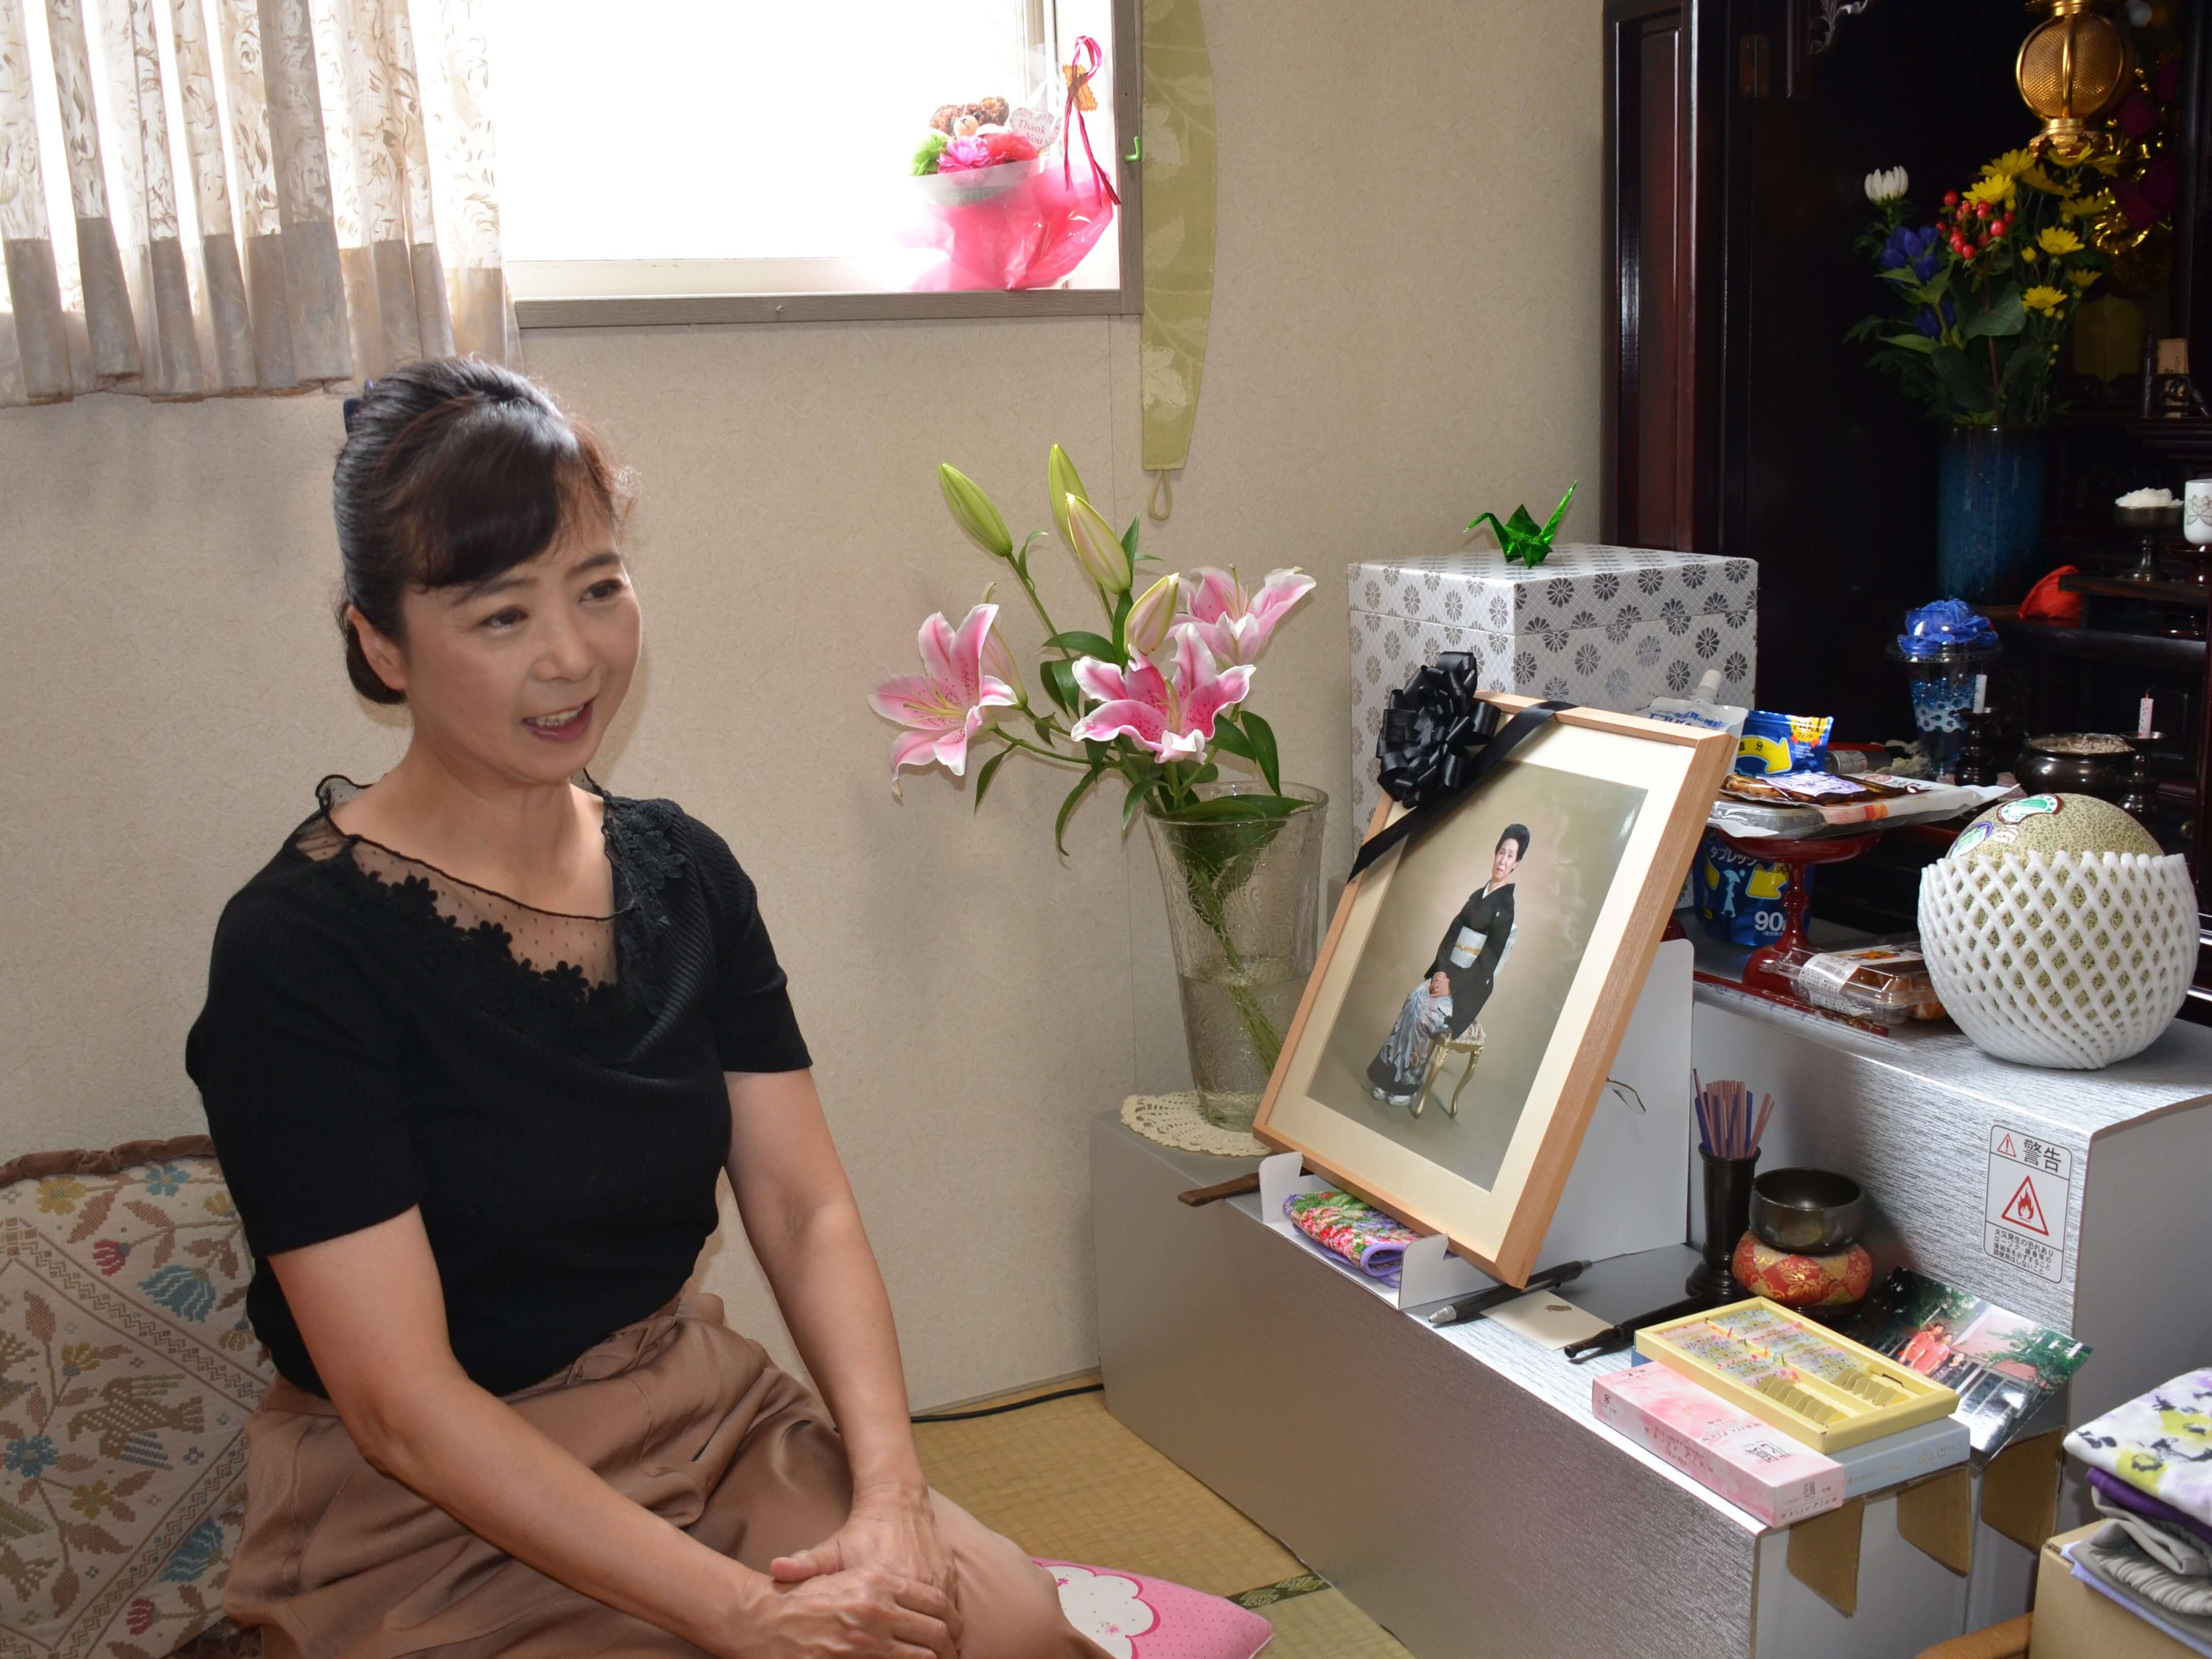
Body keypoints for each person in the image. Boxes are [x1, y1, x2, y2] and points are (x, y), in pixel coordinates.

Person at [187, 359, 1109, 1659]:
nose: (571, 655)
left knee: (1003, 1625)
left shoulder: (683, 872)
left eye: (599, 588)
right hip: (427, 1505)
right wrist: (744, 1615)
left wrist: (891, 1494)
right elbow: (399, 1404)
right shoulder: (299, 951)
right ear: (378, 643)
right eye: (498, 616)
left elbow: (803, 1206)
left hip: (697, 1418)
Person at [1366, 823, 1529, 1108]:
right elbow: (1451, 936)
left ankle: (1406, 1084)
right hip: (1448, 973)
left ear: (1517, 864)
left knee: (1424, 1013)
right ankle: (1386, 1078)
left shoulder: (1506, 906)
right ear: (1495, 853)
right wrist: (1441, 971)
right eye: (1501, 852)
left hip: (1469, 988)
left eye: (1510, 856)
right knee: (1413, 1000)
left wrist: (1452, 985)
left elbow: (1488, 961)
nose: (1503, 860)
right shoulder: (1478, 895)